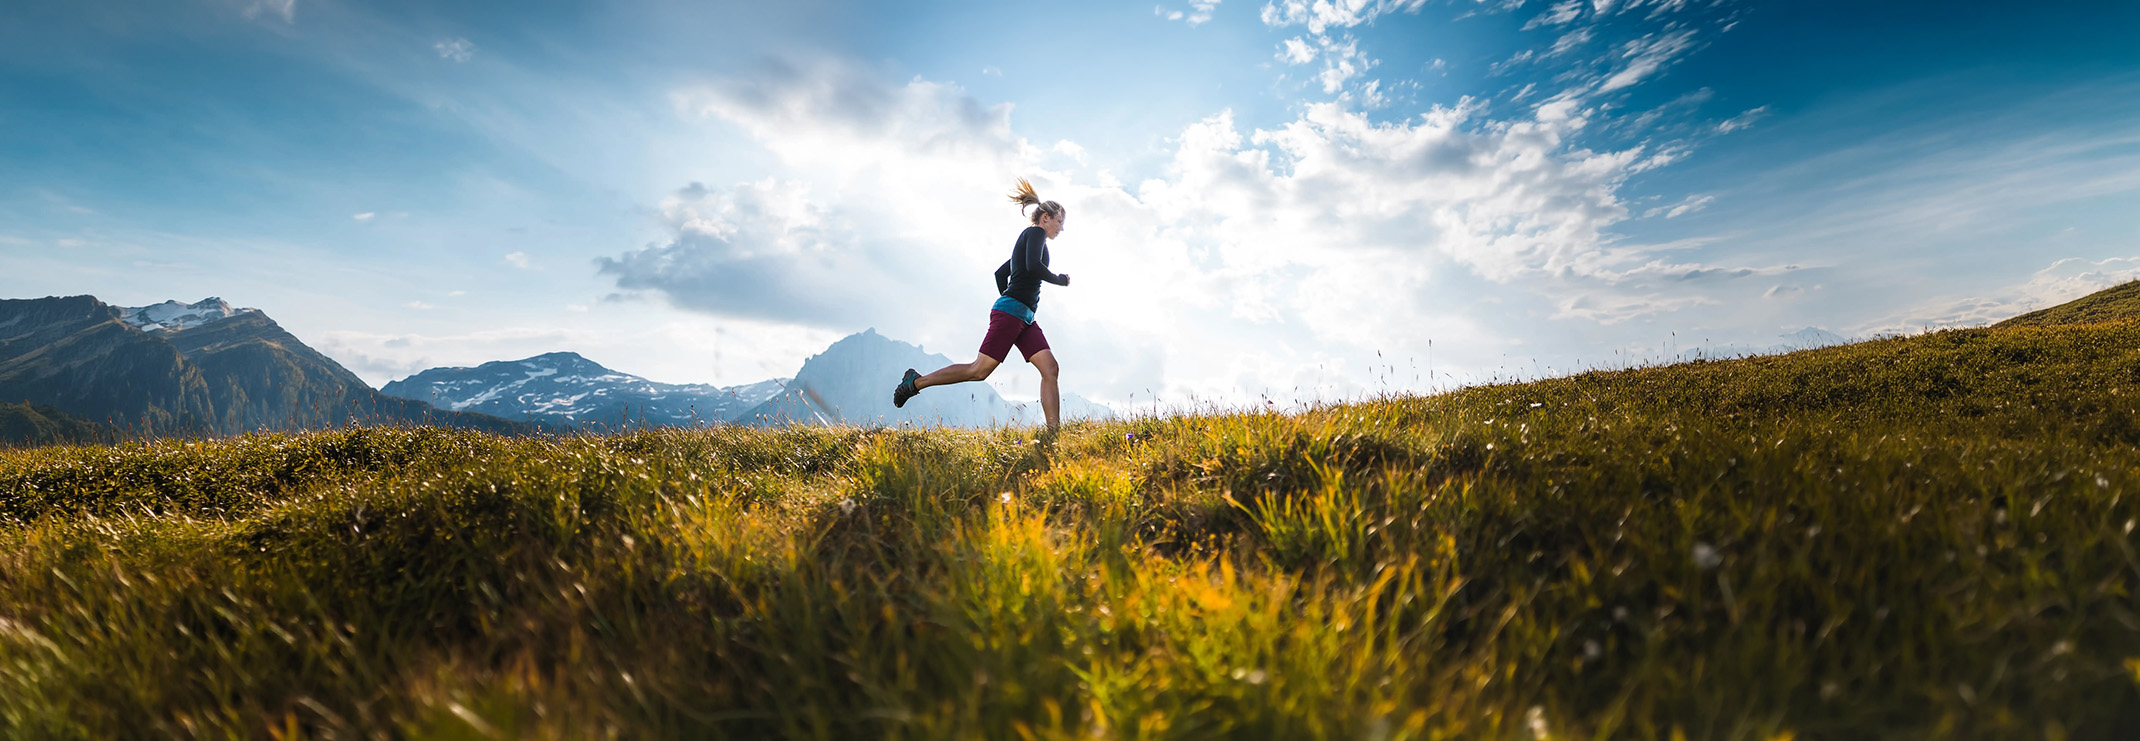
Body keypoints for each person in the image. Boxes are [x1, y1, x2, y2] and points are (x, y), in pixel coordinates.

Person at [893, 178, 1071, 429]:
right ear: (1045, 218)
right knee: (979, 370)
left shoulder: (1030, 241)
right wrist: (1058, 280)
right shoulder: (1035, 233)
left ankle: (1053, 432)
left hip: (1025, 317)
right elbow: (1033, 267)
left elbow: (1001, 274)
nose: (1061, 228)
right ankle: (915, 382)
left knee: (1050, 368)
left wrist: (1013, 300)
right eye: (1059, 222)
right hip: (1012, 313)